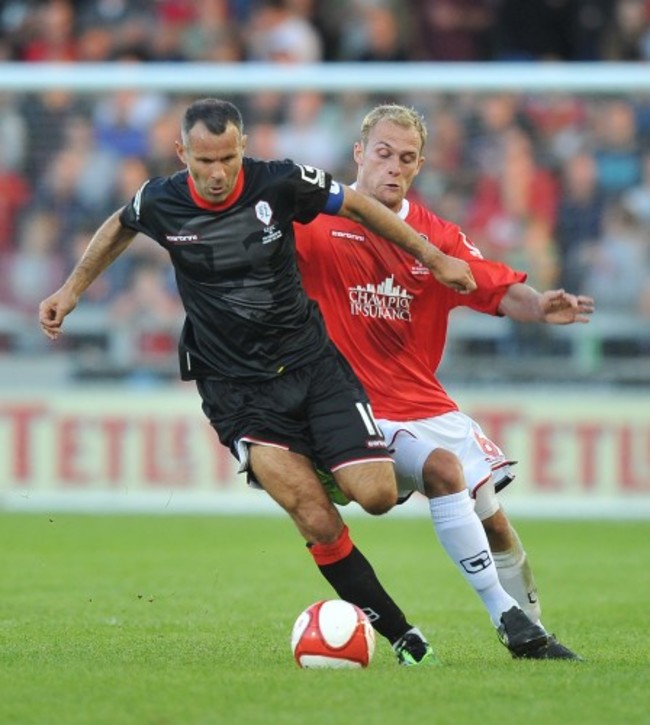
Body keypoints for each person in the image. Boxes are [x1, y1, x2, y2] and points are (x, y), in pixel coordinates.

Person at [38, 98, 490, 667]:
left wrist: (430, 254)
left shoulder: (279, 183)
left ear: (243, 148)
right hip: (236, 389)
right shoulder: (162, 199)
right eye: (205, 161)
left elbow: (354, 204)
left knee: (375, 496)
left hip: (312, 365)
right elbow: (120, 226)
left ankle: (321, 463)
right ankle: (404, 637)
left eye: (229, 157)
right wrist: (71, 290)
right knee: (316, 519)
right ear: (183, 154)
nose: (219, 172)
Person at [296, 103, 595, 660]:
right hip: (354, 407)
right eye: (383, 154)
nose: (393, 167)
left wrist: (539, 306)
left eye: (407, 159)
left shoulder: (435, 236)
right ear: (359, 154)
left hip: (426, 403)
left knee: (497, 525)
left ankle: (532, 635)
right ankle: (504, 616)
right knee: (441, 471)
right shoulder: (312, 220)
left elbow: (494, 287)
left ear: (419, 166)